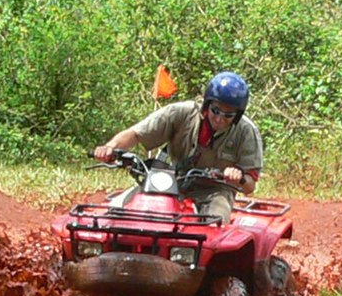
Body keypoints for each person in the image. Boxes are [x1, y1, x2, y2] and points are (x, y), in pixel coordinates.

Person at [93, 71, 263, 222]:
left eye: (228, 115)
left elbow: (250, 186)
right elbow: (136, 134)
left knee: (214, 222)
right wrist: (110, 148)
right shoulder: (181, 114)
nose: (220, 118)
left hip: (214, 191)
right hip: (170, 183)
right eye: (216, 110)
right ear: (207, 104)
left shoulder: (246, 132)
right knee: (114, 212)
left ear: (237, 115)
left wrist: (238, 177)